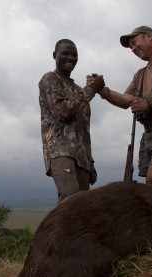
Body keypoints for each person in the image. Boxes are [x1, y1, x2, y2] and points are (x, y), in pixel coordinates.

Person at [87, 26, 152, 184]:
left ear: (149, 36)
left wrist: (149, 103)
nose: (133, 49)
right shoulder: (140, 74)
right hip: (149, 134)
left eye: (134, 42)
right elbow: (124, 101)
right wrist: (102, 90)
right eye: (130, 47)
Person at [39, 39, 105, 202]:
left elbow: (84, 130)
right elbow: (63, 111)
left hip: (82, 159)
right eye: (65, 53)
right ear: (55, 55)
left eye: (74, 55)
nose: (70, 58)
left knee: (82, 208)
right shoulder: (50, 79)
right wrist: (92, 89)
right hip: (61, 152)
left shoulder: (78, 90)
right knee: (69, 199)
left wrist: (91, 163)